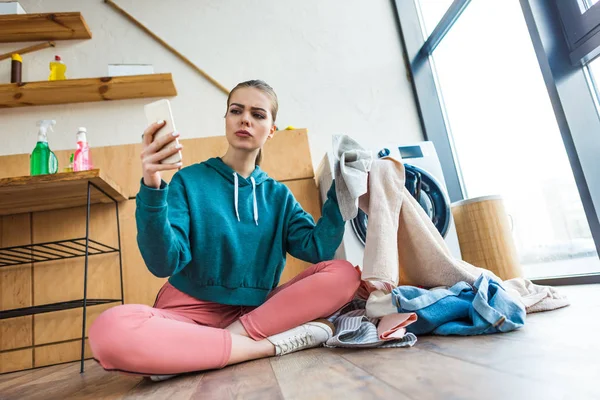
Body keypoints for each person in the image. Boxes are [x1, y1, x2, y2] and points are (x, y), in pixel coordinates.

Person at [89, 80, 361, 381]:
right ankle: (265, 348)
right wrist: (152, 183)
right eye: (236, 111)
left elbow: (318, 250)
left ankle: (211, 349)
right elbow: (163, 263)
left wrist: (341, 192)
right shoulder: (188, 181)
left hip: (256, 317)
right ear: (227, 121)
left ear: (271, 130)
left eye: (258, 114)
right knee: (110, 329)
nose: (245, 119)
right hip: (186, 316)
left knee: (345, 273)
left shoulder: (278, 196)